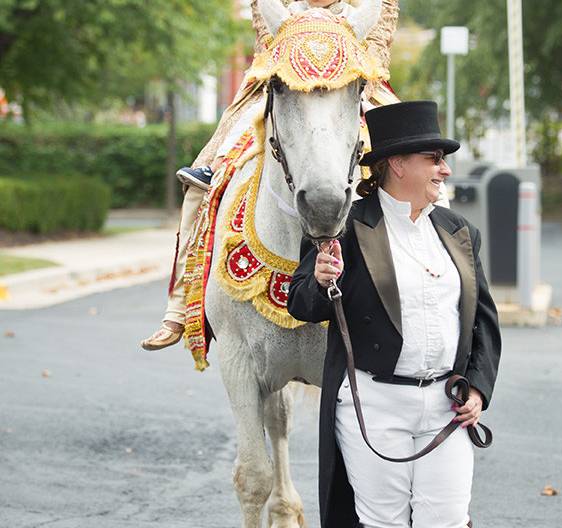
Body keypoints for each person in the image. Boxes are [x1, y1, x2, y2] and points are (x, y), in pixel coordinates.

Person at [287, 100, 501, 528]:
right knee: (382, 521)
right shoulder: (344, 228)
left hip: (447, 403)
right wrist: (320, 277)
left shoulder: (459, 231)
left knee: (447, 519)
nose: (445, 170)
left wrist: (477, 389)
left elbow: (483, 321)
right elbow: (301, 304)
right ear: (398, 164)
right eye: (435, 159)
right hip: (375, 403)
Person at [140, 0, 400, 350]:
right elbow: (267, 42)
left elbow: (377, 48)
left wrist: (343, 44)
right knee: (206, 177)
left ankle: (431, 293)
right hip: (282, 89)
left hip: (353, 89)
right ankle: (180, 304)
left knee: (418, 164)